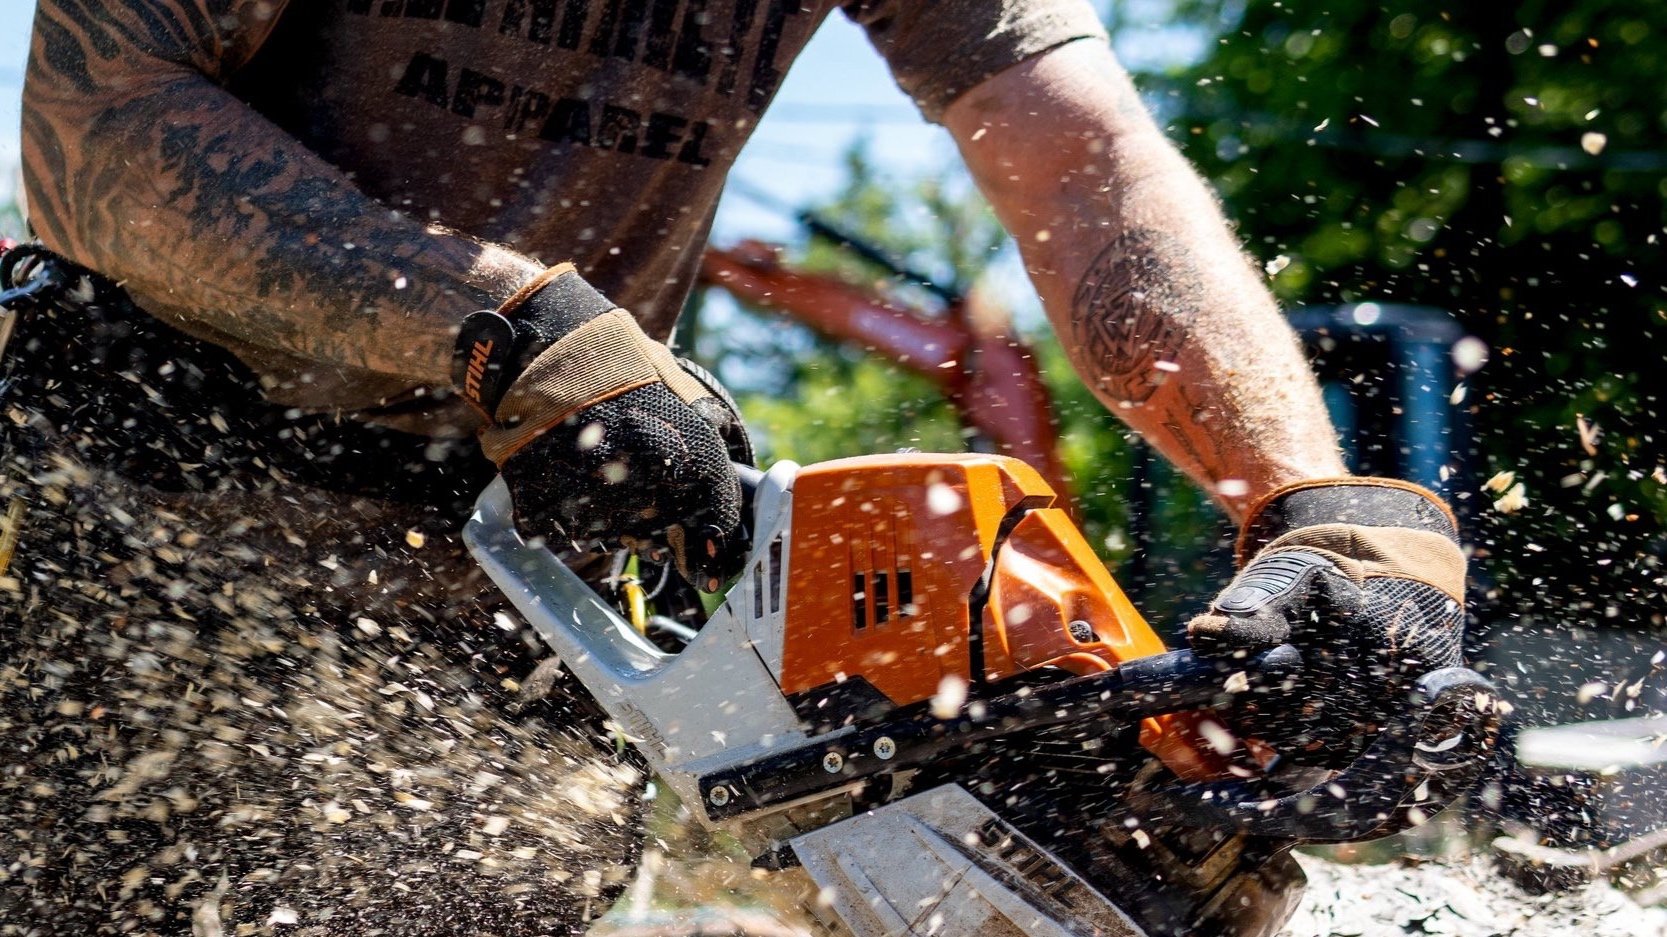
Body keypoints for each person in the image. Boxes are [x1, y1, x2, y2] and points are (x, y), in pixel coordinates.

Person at [3, 0, 1466, 931]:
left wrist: (1320, 502)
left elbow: (1077, 158)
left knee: (486, 888)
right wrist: (508, 326)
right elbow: (92, 118)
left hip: (534, 516)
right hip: (162, 466)